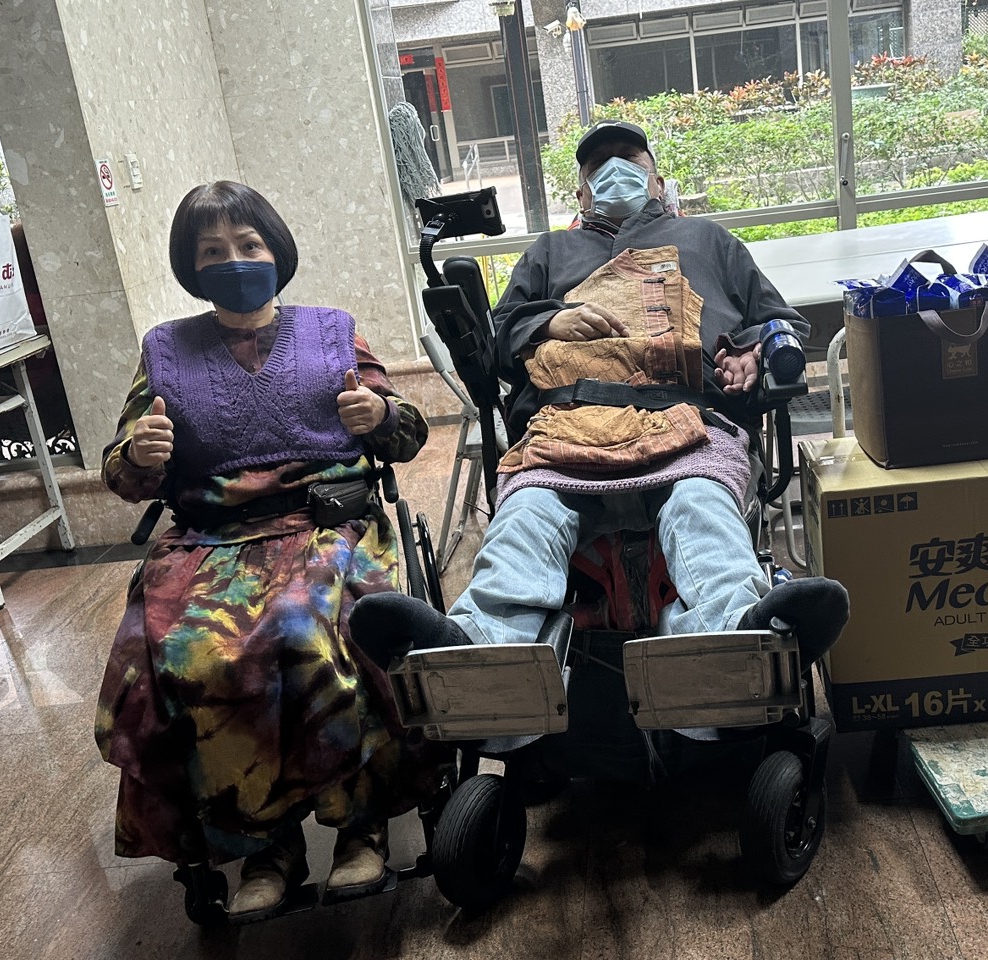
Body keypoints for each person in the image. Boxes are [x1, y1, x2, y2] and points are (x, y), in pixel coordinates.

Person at [353, 120, 848, 672]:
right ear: (582, 192)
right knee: (529, 514)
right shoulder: (550, 251)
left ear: (658, 183)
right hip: (568, 424)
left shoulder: (711, 241)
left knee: (699, 504)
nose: (614, 170)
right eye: (598, 166)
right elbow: (498, 338)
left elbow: (781, 324)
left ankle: (738, 630)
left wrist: (754, 351)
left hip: (689, 421)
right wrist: (549, 321)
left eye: (629, 160)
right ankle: (477, 645)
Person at [93, 181, 443, 918]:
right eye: (212, 250)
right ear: (191, 267)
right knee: (197, 657)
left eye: (248, 244)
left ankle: (360, 828)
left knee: (305, 635)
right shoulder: (164, 351)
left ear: (276, 249)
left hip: (327, 528)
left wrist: (380, 413)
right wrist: (141, 453)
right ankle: (266, 845)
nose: (234, 260)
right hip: (210, 541)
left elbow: (408, 434)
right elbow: (122, 475)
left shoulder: (333, 332)